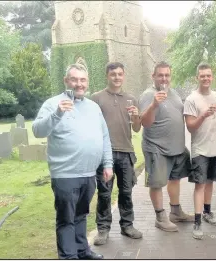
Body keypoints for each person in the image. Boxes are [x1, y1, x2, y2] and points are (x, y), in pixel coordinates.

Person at [32, 63, 112, 259]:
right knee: (66, 219)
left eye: (82, 80)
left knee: (81, 216)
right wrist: (57, 114)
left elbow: (104, 137)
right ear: (66, 81)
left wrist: (108, 163)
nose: (79, 84)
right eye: (74, 79)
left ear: (87, 82)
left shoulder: (93, 107)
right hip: (65, 175)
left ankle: (82, 251)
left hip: (89, 174)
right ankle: (68, 256)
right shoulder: (53, 104)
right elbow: (37, 131)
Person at [91, 62, 143, 245]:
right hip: (105, 155)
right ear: (107, 76)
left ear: (124, 76)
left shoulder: (131, 99)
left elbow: (137, 128)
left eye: (120, 74)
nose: (117, 77)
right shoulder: (96, 98)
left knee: (126, 192)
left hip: (126, 152)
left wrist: (137, 115)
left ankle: (127, 226)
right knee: (104, 193)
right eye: (113, 74)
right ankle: (103, 229)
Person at [139, 61, 194, 232]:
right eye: (160, 75)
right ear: (153, 76)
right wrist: (154, 105)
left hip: (176, 148)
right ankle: (160, 217)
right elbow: (145, 123)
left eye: (167, 75)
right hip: (157, 148)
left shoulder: (174, 93)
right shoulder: (148, 95)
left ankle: (175, 212)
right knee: (156, 183)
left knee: (175, 179)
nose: (164, 78)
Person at [183, 63, 216, 239]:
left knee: (210, 182)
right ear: (197, 78)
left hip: (215, 148)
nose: (206, 79)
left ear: (212, 77)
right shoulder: (191, 99)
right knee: (200, 185)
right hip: (200, 149)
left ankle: (208, 212)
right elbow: (190, 127)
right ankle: (197, 221)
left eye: (208, 75)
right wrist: (203, 115)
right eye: (203, 76)